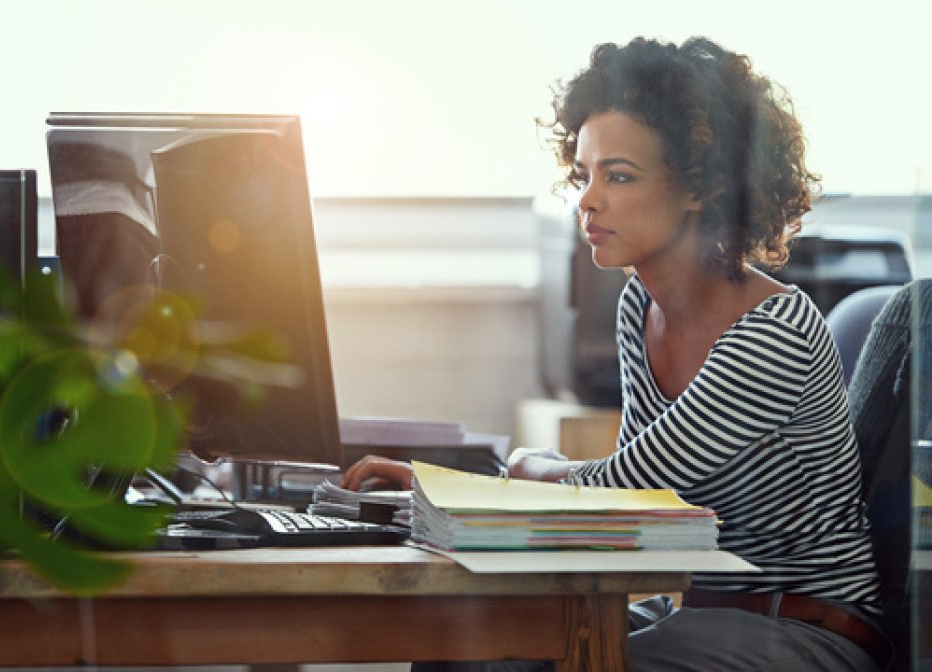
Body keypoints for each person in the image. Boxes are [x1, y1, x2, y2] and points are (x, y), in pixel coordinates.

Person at [342, 36, 888, 671]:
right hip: (697, 611)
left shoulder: (774, 331)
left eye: (619, 175)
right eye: (584, 175)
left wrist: (507, 477)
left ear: (699, 187)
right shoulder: (641, 307)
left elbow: (625, 495)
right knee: (467, 648)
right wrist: (457, 494)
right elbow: (621, 505)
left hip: (801, 629)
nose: (587, 201)